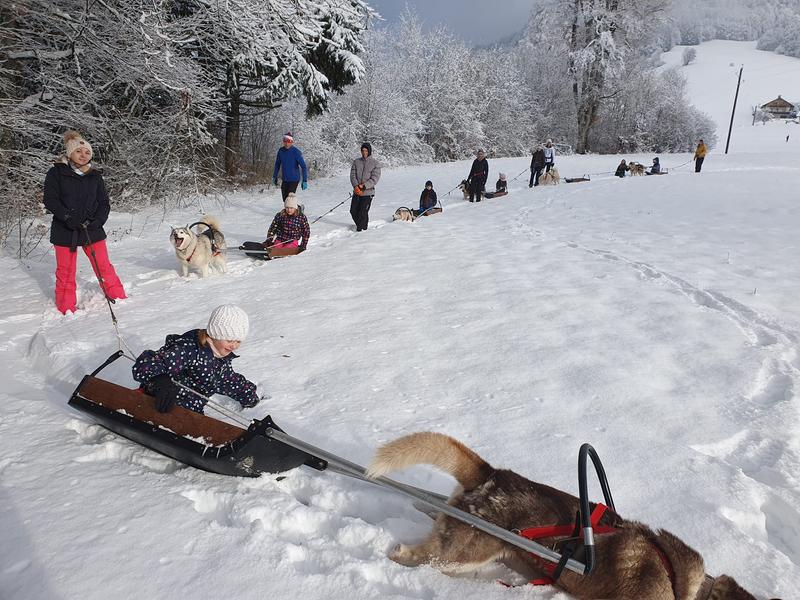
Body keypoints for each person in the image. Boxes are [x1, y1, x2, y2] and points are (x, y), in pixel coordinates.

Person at [43, 130, 127, 315]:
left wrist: (98, 220)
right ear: (70, 153)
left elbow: (104, 202)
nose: (83, 155)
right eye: (79, 151)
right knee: (65, 271)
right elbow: (50, 200)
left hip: (92, 228)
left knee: (104, 266)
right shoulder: (56, 172)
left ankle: (119, 298)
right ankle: (66, 308)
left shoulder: (94, 176)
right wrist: (67, 217)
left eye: (87, 152)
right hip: (65, 229)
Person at [132, 304, 260, 414]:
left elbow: (228, 381)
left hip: (190, 410)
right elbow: (148, 362)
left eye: (238, 341)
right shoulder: (189, 349)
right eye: (229, 340)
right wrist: (160, 379)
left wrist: (249, 395)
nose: (234, 345)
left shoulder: (221, 360)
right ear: (215, 334)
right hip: (161, 399)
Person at [349, 142, 381, 231]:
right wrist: (356, 186)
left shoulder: (375, 163)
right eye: (363, 151)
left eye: (366, 151)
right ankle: (361, 226)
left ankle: (361, 231)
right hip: (357, 191)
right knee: (353, 211)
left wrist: (364, 186)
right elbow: (352, 175)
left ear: (369, 151)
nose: (364, 152)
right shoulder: (356, 162)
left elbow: (375, 178)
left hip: (368, 192)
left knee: (363, 213)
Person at [272, 132, 308, 200]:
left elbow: (303, 166)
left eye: (289, 141)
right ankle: (296, 208)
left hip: (294, 179)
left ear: (292, 142)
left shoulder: (296, 152)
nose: (286, 143)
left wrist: (305, 180)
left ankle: (298, 209)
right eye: (285, 141)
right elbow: (277, 164)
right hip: (285, 179)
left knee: (290, 200)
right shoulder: (281, 151)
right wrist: (274, 176)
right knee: (285, 200)